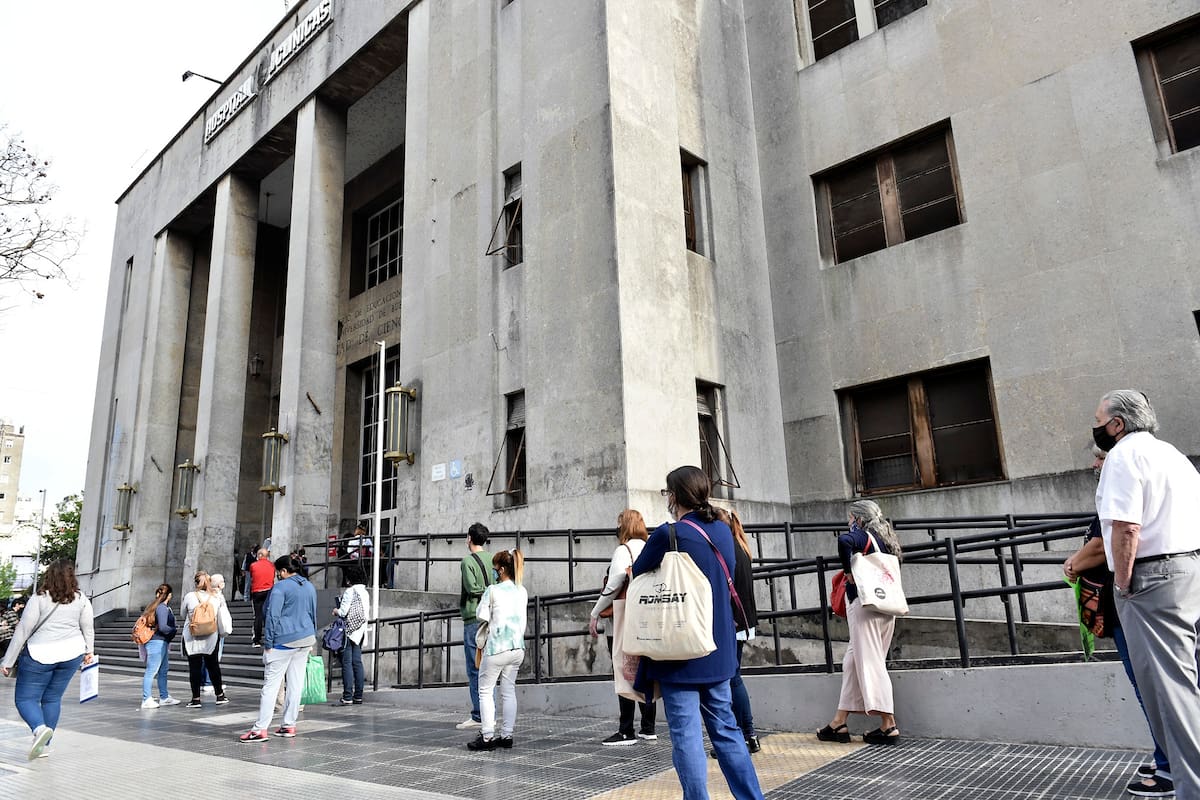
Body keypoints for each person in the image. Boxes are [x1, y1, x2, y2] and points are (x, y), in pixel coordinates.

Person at [1092, 389, 1200, 800]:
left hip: (1153, 577)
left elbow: (1126, 526)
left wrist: (1122, 583)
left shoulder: (1123, 456)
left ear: (1117, 423)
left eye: (1100, 421)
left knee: (1170, 692)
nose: (1098, 429)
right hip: (1191, 567)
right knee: (1188, 682)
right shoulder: (1173, 454)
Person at [631, 466, 764, 800]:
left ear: (674, 496)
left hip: (678, 648)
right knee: (727, 730)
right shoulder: (723, 531)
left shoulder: (669, 534)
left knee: (686, 734)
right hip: (717, 648)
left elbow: (638, 571)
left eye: (667, 493)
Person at [1065, 445, 1173, 798]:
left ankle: (1171, 766)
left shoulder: (1120, 484)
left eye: (1100, 456)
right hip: (1154, 595)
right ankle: (1166, 756)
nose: (1094, 463)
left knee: (1150, 686)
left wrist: (1073, 564)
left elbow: (1101, 545)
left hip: (1133, 601)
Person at [818, 499, 903, 746]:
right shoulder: (886, 539)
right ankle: (838, 722)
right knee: (852, 662)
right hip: (886, 607)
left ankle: (889, 724)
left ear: (858, 519)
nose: (847, 523)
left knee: (870, 662)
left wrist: (847, 573)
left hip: (865, 606)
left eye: (849, 518)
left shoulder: (865, 536)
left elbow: (844, 541)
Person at [0, 560, 95, 760]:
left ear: (49, 575)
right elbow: (88, 627)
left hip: (40, 653)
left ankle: (39, 729)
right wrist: (89, 651)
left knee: (25, 699)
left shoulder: (40, 598)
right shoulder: (81, 599)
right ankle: (44, 745)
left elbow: (23, 629)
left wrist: (7, 661)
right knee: (52, 699)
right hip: (72, 653)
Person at [589, 508, 657, 746]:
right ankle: (648, 727)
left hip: (623, 619)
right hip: (647, 618)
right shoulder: (650, 547)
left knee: (623, 669)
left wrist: (595, 612)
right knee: (645, 670)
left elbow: (615, 583)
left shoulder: (624, 550)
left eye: (619, 524)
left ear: (625, 526)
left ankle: (626, 729)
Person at [239, 555, 318, 742]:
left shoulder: (280, 587)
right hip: (306, 638)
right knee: (295, 684)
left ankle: (260, 729)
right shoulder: (309, 586)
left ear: (283, 571)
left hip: (283, 640)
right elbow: (313, 612)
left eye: (278, 573)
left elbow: (272, 616)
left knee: (271, 686)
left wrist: (268, 642)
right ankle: (289, 724)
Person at [466, 548, 527, 751]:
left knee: (485, 690)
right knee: (508, 691)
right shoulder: (522, 590)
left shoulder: (493, 590)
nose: (494, 572)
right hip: (517, 648)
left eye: (494, 569)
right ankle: (507, 735)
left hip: (496, 648)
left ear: (501, 570)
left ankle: (487, 736)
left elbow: (481, 615)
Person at [713, 508, 760, 755]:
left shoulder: (727, 547)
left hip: (732, 621)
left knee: (732, 678)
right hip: (743, 620)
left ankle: (746, 735)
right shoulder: (741, 545)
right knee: (733, 677)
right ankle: (747, 735)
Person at [455, 522, 493, 730]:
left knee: (474, 668)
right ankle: (490, 712)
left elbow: (471, 588)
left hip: (473, 618)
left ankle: (479, 715)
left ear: (469, 538)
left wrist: (485, 591)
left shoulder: (467, 561)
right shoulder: (493, 559)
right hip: (492, 617)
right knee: (490, 668)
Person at [181, 572, 230, 708]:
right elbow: (221, 616)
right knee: (213, 666)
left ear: (196, 583)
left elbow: (182, 613)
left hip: (192, 637)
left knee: (194, 668)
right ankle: (220, 695)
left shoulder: (189, 596)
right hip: (211, 636)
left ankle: (195, 699)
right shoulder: (215, 598)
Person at [139, 583, 181, 709]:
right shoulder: (162, 608)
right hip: (157, 642)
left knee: (162, 670)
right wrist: (173, 629)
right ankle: (146, 699)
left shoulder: (154, 606)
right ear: (169, 595)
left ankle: (164, 697)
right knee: (151, 671)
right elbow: (163, 627)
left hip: (159, 642)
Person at [334, 564, 370, 705]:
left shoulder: (350, 591)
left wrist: (336, 610)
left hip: (349, 631)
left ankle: (347, 696)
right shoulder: (365, 592)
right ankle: (358, 695)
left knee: (347, 663)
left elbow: (343, 612)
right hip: (360, 631)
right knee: (357, 663)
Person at [200, 574, 229, 695]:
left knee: (206, 655)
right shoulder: (217, 596)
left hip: (208, 627)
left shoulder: (207, 595)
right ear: (219, 584)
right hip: (215, 628)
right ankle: (208, 682)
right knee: (214, 656)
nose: (224, 583)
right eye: (222, 581)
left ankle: (204, 681)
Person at [249, 548, 275, 646]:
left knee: (258, 615)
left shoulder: (253, 565)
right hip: (269, 591)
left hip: (257, 591)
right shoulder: (272, 565)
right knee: (268, 615)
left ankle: (257, 640)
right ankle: (269, 638)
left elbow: (252, 576)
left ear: (259, 555)